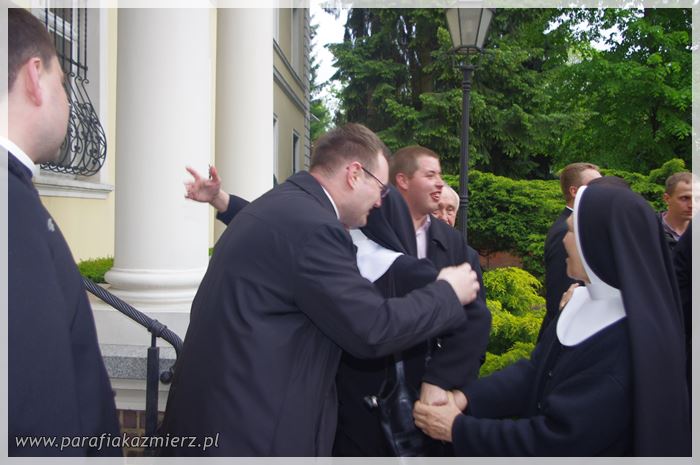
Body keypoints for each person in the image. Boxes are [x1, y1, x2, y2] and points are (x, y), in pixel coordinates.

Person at [159, 123, 481, 456]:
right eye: (380, 189)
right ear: (354, 174)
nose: (379, 202)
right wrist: (447, 292)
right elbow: (371, 328)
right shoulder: (317, 229)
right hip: (251, 435)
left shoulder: (280, 204)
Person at [413, 182, 691, 456]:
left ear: (598, 244)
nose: (563, 239)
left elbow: (560, 440)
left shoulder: (629, 343)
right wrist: (465, 397)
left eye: (571, 231)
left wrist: (457, 429)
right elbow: (535, 372)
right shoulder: (583, 302)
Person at [4, 8, 121, 456]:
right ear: (35, 77)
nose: (69, 103)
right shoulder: (11, 210)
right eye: (63, 84)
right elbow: (34, 413)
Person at [334, 145, 490, 457]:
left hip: (421, 404)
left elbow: (476, 316)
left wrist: (441, 380)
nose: (439, 183)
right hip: (356, 406)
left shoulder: (447, 246)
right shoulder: (345, 244)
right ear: (402, 182)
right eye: (430, 175)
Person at [537, 162, 601, 340]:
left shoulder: (580, 226)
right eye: (594, 186)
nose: (600, 191)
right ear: (574, 191)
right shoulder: (565, 231)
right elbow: (561, 293)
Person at [658, 171, 698, 249]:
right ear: (667, 199)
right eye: (684, 198)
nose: (692, 205)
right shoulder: (649, 231)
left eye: (697, 199)